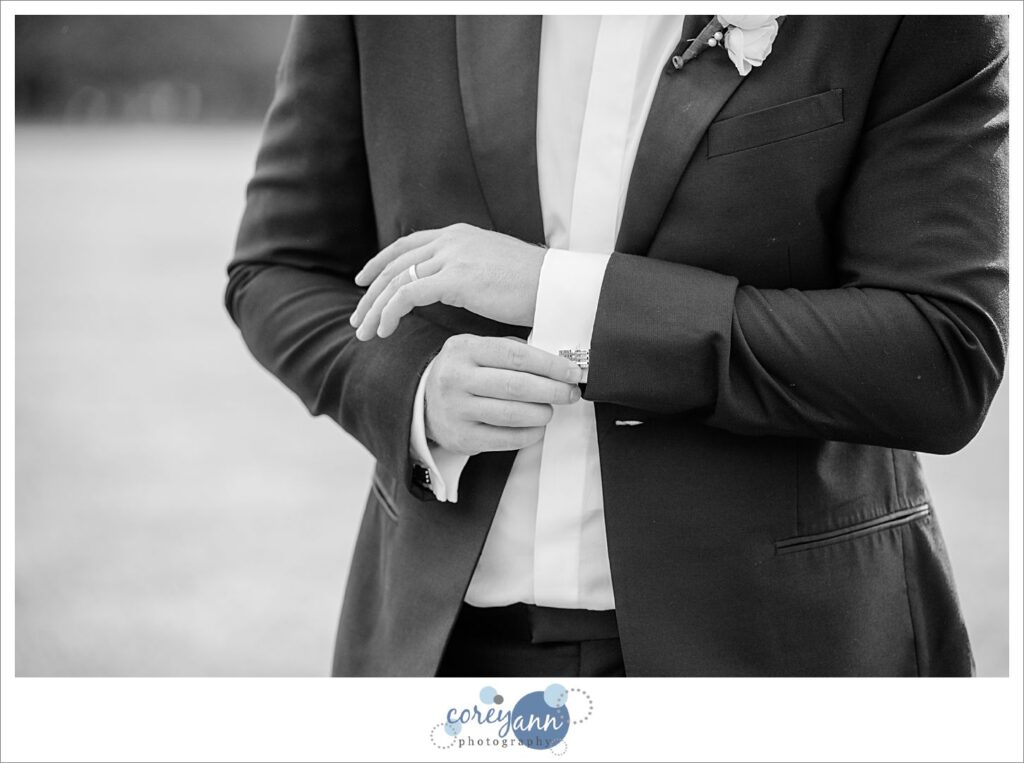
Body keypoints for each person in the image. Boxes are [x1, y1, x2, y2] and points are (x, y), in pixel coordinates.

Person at [225, 15, 1008, 676]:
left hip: (782, 648)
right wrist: (414, 390)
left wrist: (563, 296)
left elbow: (943, 352)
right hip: (442, 647)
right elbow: (279, 266)